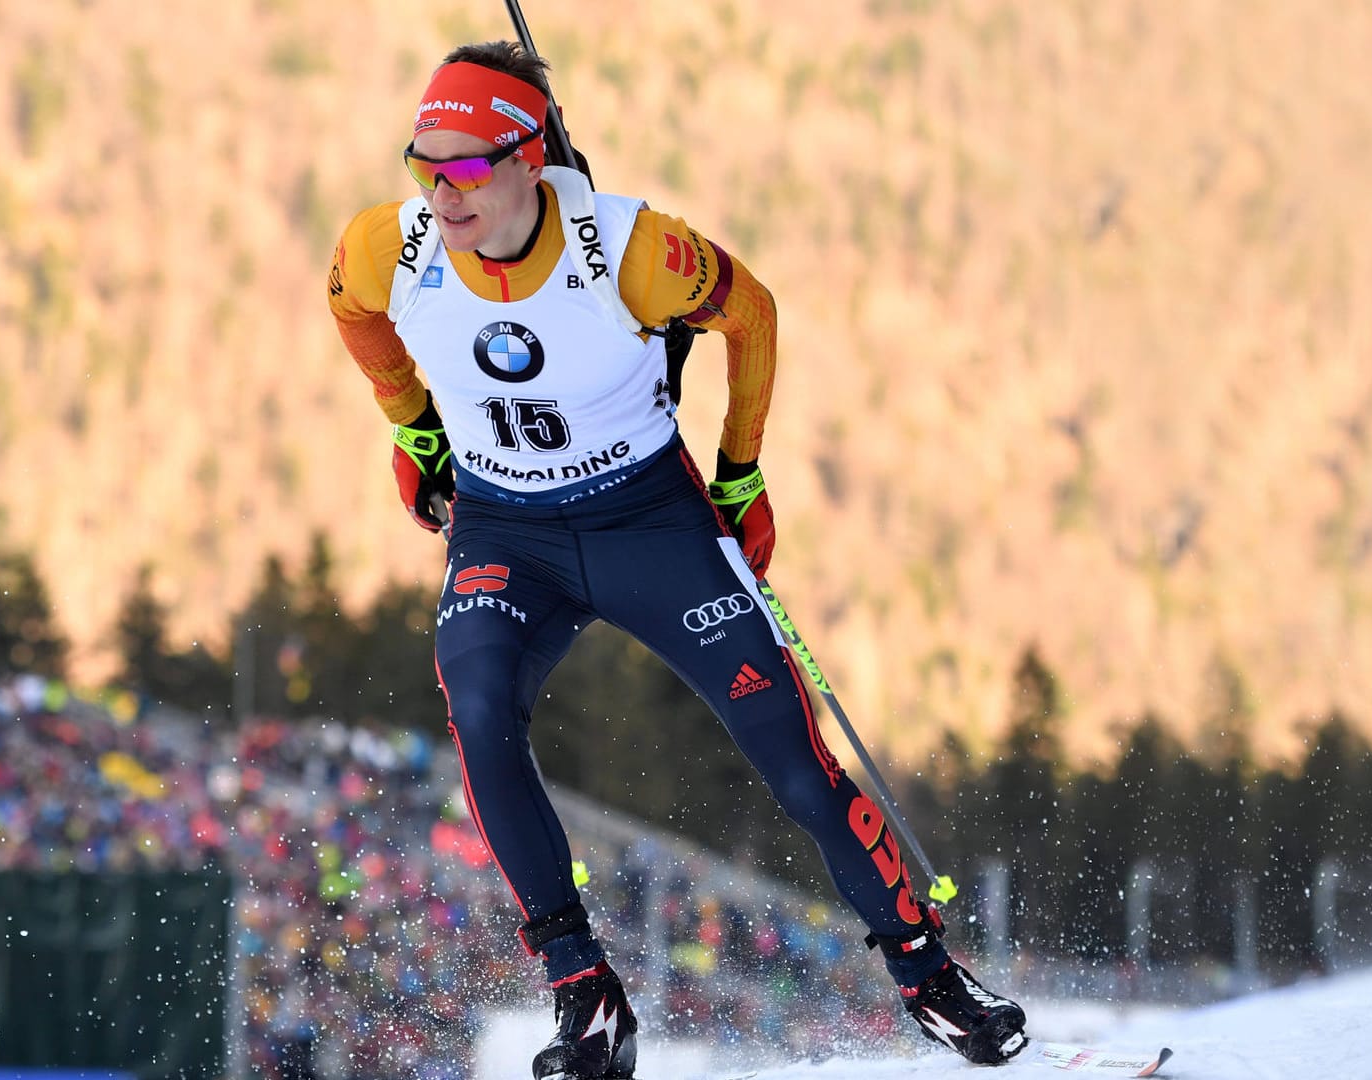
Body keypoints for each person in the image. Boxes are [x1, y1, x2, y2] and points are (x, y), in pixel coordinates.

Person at [327, 41, 1027, 1077]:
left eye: (468, 166)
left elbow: (753, 313)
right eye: (422, 164)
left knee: (793, 758)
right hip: (505, 532)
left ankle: (928, 976)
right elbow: (351, 309)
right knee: (477, 710)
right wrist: (413, 429)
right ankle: (584, 993)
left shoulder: (633, 252)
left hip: (648, 521)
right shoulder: (397, 245)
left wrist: (740, 471)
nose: (442, 189)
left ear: (530, 158)